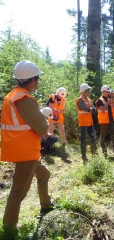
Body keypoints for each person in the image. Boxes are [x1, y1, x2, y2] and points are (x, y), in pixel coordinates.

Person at [1, 60, 53, 238]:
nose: (38, 82)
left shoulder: (14, 95)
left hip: (25, 148)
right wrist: (45, 122)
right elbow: (42, 127)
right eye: (37, 78)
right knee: (18, 191)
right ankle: (9, 229)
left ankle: (46, 205)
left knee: (44, 174)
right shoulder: (23, 99)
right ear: (30, 79)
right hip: (26, 151)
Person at [95, 85, 114, 159]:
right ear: (103, 91)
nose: (109, 93)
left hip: (110, 121)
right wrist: (108, 102)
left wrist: (111, 102)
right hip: (103, 122)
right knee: (103, 137)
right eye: (107, 91)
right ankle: (105, 153)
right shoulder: (99, 100)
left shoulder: (109, 99)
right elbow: (102, 109)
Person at [76, 83, 97, 162]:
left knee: (93, 137)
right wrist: (90, 109)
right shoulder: (79, 100)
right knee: (83, 139)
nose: (89, 91)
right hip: (83, 122)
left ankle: (94, 153)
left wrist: (90, 109)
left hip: (90, 122)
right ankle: (83, 155)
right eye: (88, 90)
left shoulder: (89, 100)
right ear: (84, 91)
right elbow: (84, 108)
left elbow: (94, 109)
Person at [47, 87, 68, 158]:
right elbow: (49, 105)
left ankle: (64, 142)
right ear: (58, 92)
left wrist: (59, 113)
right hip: (52, 115)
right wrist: (54, 112)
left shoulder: (64, 100)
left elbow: (64, 108)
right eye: (60, 94)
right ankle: (51, 143)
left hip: (59, 116)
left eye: (62, 95)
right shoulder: (52, 97)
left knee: (62, 129)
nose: (60, 96)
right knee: (50, 129)